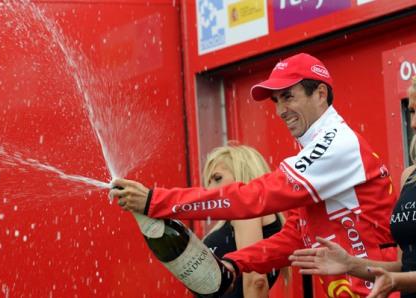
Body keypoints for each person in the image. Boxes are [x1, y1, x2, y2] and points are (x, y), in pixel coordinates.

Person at [109, 53, 397, 296]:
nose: (281, 111)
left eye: (288, 97)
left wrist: (155, 200)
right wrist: (236, 263)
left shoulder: (337, 143)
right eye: (276, 102)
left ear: (320, 93)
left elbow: (255, 197)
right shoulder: (316, 149)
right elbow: (295, 238)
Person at [289, 77, 416, 298]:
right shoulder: (410, 176)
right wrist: (351, 264)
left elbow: (400, 277)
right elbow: (404, 268)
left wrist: (395, 281)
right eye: (412, 111)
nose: (413, 123)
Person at [200, 144, 284, 298]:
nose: (209, 189)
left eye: (217, 178)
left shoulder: (247, 210)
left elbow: (256, 281)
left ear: (243, 175)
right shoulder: (239, 216)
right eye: (208, 182)